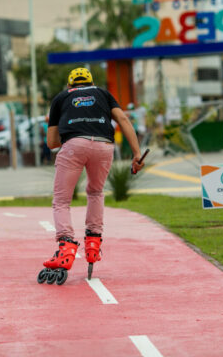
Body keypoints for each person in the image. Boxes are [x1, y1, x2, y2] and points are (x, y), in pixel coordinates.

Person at [38, 67, 145, 285]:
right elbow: (123, 120)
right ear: (91, 83)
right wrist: (136, 153)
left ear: (70, 85)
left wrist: (73, 133)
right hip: (105, 146)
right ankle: (93, 242)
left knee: (61, 201)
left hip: (73, 146)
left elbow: (51, 143)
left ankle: (66, 246)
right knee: (95, 192)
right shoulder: (103, 94)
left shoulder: (60, 98)